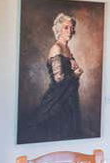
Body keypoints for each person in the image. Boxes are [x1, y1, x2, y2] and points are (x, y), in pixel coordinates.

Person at [26, 12, 84, 141]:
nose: (70, 31)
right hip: (57, 100)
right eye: (66, 27)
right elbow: (59, 79)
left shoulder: (67, 49)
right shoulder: (57, 48)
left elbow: (71, 71)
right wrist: (75, 74)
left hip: (69, 98)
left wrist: (75, 70)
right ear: (59, 30)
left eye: (72, 27)